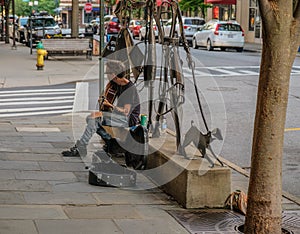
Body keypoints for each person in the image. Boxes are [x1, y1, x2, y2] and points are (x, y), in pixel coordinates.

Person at [62, 60, 140, 157]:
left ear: (114, 74)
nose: (106, 75)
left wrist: (108, 107)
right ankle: (111, 143)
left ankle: (82, 146)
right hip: (118, 115)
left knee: (94, 119)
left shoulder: (129, 88)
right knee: (91, 119)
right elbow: (108, 96)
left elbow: (126, 112)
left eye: (107, 73)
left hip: (128, 119)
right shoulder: (115, 84)